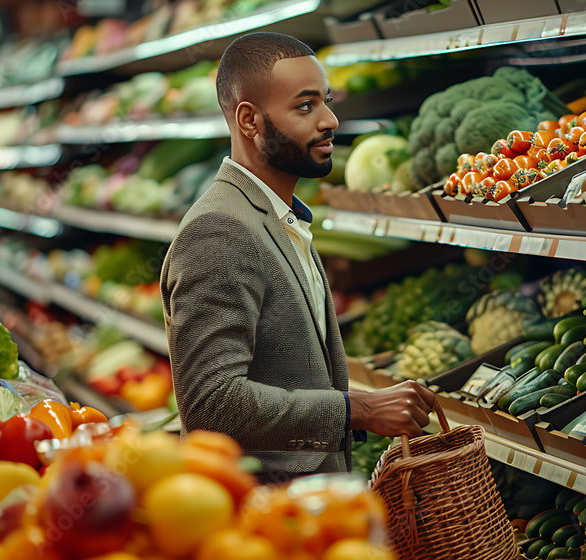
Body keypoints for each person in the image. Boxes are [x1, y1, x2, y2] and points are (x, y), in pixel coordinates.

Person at [161, 32, 436, 482]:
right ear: (249, 120)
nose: (330, 120)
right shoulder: (219, 230)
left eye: (326, 101)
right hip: (266, 519)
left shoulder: (277, 215)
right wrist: (357, 410)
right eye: (305, 106)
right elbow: (210, 404)